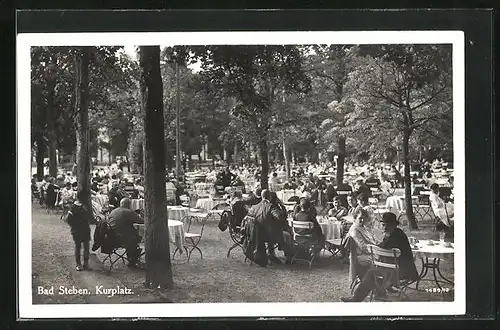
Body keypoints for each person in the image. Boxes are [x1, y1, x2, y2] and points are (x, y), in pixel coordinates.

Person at [341, 212, 418, 302]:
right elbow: (383, 246)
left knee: (372, 272)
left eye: (388, 225)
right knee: (373, 271)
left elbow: (382, 247)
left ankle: (358, 298)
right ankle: (377, 293)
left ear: (394, 225)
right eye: (383, 225)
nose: (385, 228)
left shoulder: (395, 236)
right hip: (400, 269)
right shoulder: (396, 233)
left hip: (401, 271)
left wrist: (381, 242)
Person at [106, 198, 144, 268]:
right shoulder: (128, 212)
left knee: (130, 235)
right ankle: (133, 259)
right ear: (129, 204)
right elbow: (141, 221)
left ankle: (132, 257)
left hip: (110, 237)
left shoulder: (114, 211)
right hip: (121, 239)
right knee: (138, 237)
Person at [65, 191, 93, 271]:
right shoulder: (81, 206)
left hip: (79, 229)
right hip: (82, 229)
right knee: (84, 246)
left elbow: (68, 219)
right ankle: (83, 263)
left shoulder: (75, 207)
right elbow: (68, 219)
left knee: (80, 246)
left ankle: (80, 264)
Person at [347, 208, 376, 279]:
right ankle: (377, 283)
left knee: (387, 258)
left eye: (364, 218)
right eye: (360, 218)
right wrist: (377, 251)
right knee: (384, 261)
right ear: (355, 218)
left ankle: (383, 283)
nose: (362, 220)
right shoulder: (355, 230)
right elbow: (363, 247)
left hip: (369, 253)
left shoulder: (362, 227)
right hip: (361, 256)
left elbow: (373, 240)